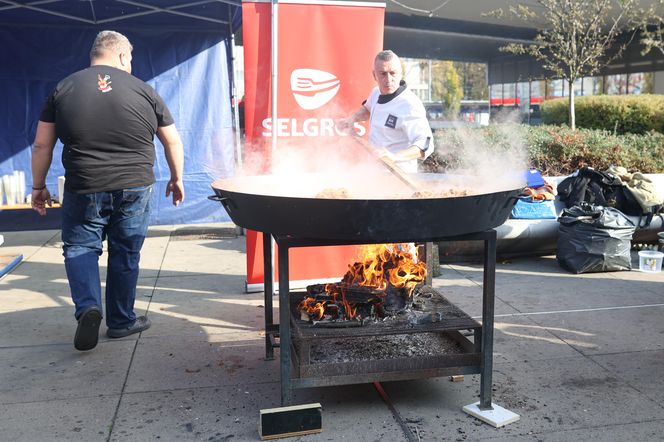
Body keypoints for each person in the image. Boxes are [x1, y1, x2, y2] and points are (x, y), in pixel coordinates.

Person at [31, 30, 185, 351]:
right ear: (122, 56)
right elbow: (171, 139)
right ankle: (121, 321)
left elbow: (41, 144)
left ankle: (89, 307)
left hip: (85, 184)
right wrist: (176, 177)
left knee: (81, 248)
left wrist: (38, 186)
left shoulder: (64, 87)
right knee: (125, 251)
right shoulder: (144, 90)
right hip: (136, 183)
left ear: (94, 55)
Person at [336, 50, 434, 173]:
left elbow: (425, 144)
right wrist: (352, 119)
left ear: (401, 74)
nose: (388, 79)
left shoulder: (410, 104)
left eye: (393, 73)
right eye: (383, 74)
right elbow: (367, 109)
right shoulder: (376, 92)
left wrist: (395, 157)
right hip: (374, 173)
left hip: (400, 176)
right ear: (374, 75)